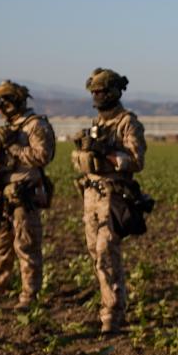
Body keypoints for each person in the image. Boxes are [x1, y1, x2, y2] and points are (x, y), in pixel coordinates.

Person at [70, 67, 147, 334]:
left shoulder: (127, 122)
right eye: (94, 92)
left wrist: (107, 153)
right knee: (95, 253)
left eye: (102, 91)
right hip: (91, 197)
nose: (98, 96)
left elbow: (136, 161)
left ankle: (112, 314)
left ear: (114, 92)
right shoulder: (97, 125)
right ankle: (110, 305)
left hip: (111, 198)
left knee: (106, 253)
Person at [0, 80, 55, 310]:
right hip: (2, 194)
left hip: (24, 195)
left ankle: (28, 296)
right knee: (0, 247)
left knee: (26, 247)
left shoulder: (35, 125)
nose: (2, 110)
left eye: (5, 104)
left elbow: (43, 156)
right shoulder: (6, 129)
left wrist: (15, 149)